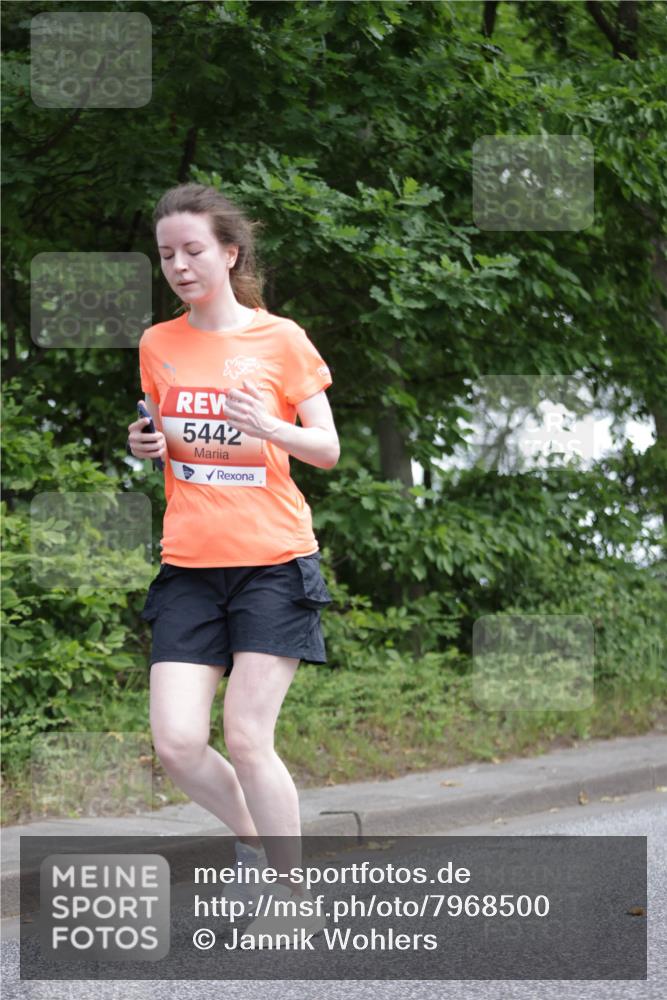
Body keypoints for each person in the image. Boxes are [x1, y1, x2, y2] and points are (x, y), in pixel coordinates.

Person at [126, 182, 339, 941]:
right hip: (188, 564)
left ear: (229, 253)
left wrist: (271, 427)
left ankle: (292, 894)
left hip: (272, 563)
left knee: (247, 737)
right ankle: (260, 843)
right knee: (178, 744)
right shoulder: (158, 344)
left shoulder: (281, 339)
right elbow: (169, 441)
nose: (179, 266)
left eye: (193, 250)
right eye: (167, 255)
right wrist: (146, 445)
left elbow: (327, 448)